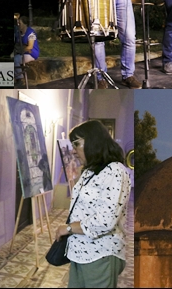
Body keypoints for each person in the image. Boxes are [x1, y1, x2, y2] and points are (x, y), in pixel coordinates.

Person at [52, 120, 131, 288]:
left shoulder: (115, 171)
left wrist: (68, 228)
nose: (73, 151)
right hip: (80, 252)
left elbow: (105, 221)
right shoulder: (90, 171)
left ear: (93, 142)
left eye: (77, 144)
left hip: (100, 255)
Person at [13, 14, 39, 87]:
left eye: (20, 23)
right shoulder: (18, 33)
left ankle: (19, 79)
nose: (18, 25)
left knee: (16, 59)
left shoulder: (30, 33)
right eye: (18, 23)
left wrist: (20, 51)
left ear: (24, 24)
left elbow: (30, 47)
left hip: (31, 53)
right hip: (21, 52)